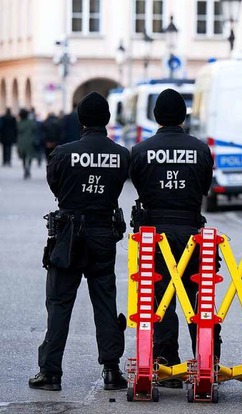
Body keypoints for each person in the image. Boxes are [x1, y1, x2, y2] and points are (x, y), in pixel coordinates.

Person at [29, 92, 130, 392]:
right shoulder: (122, 154)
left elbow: (55, 187)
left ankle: (50, 373)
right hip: (103, 234)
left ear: (81, 120)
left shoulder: (63, 153)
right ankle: (111, 370)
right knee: (104, 301)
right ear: (107, 120)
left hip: (68, 234)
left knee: (59, 302)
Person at [128, 88, 218, 388]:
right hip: (193, 233)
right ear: (183, 116)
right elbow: (204, 188)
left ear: (156, 117)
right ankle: (207, 362)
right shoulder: (201, 150)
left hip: (156, 235)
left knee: (161, 300)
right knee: (200, 298)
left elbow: (141, 187)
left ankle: (167, 364)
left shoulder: (140, 151)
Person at [16, 108, 38, 179]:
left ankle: (25, 168)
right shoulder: (30, 122)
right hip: (30, 141)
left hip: (21, 141)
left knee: (23, 157)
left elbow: (18, 130)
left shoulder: (19, 123)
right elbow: (35, 128)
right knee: (30, 156)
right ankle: (28, 168)